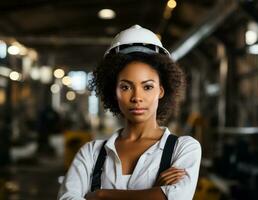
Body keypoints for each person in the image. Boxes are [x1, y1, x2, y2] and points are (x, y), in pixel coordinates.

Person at [58, 25, 201, 200]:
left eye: (147, 87)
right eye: (125, 87)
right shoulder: (90, 154)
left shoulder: (183, 148)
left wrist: (102, 194)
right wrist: (154, 193)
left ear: (161, 91)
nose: (137, 97)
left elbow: (177, 197)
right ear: (114, 91)